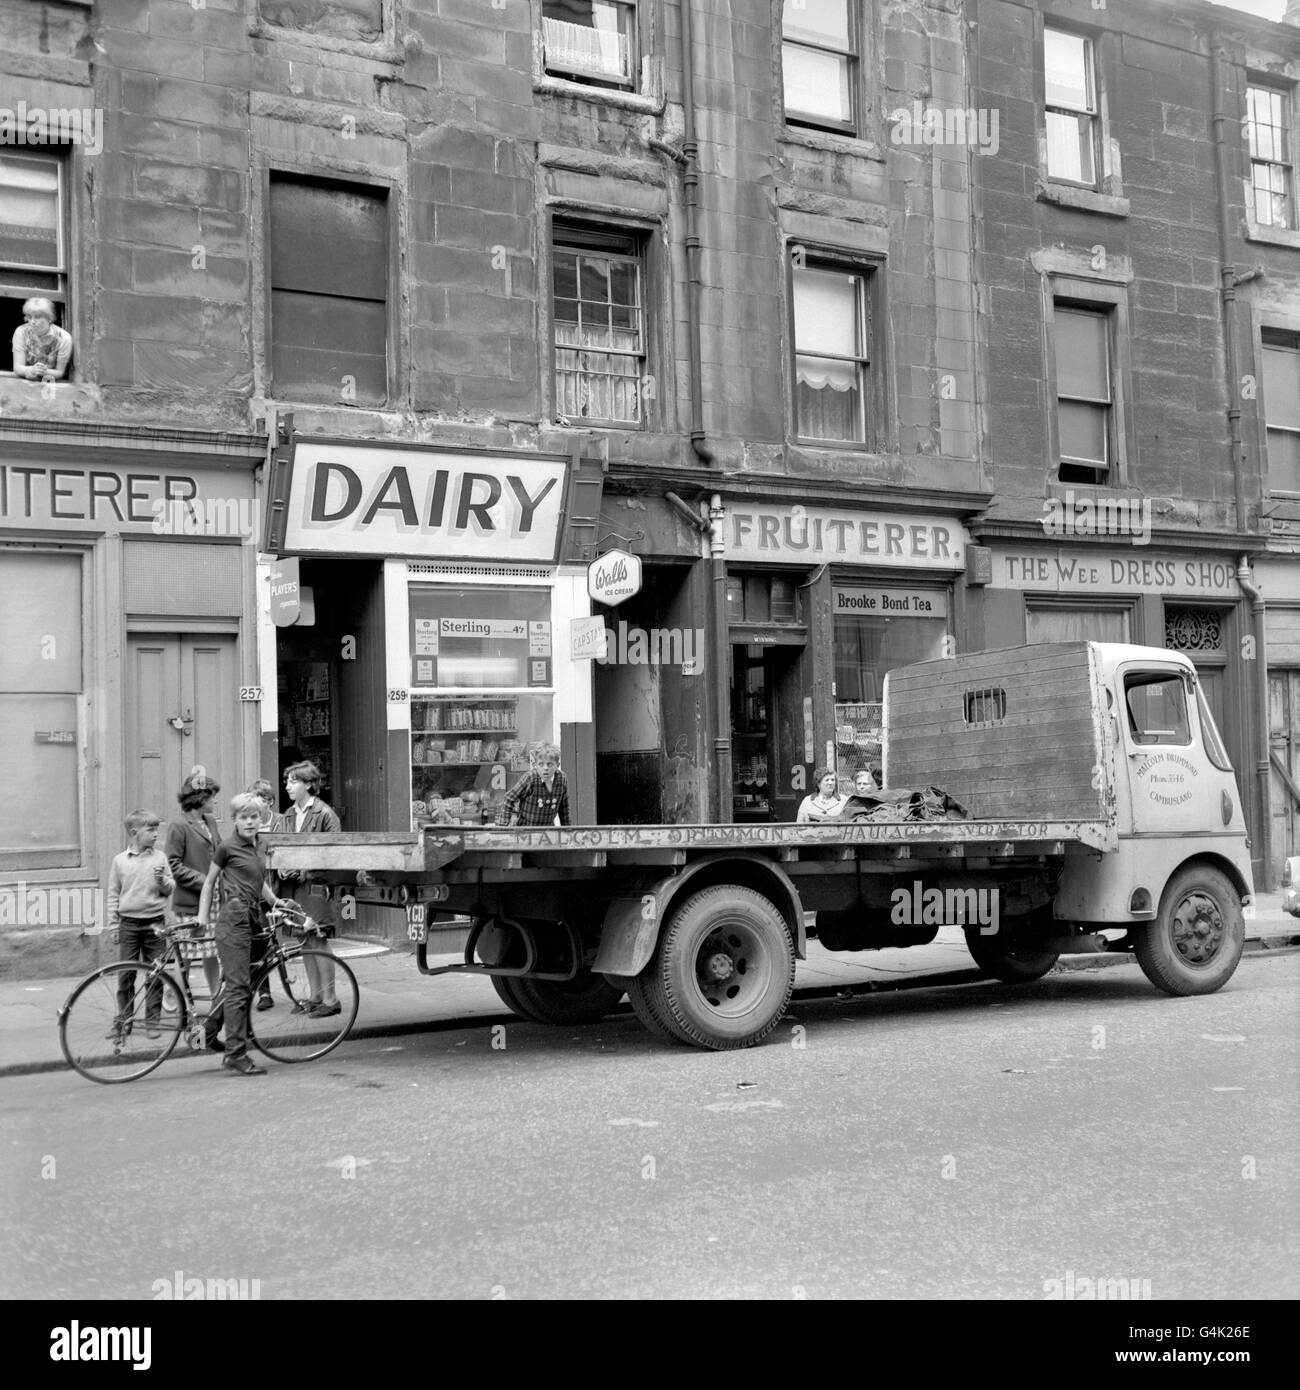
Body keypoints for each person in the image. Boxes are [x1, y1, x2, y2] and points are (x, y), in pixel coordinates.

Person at [198, 794, 292, 1076]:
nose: (250, 822)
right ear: (235, 820)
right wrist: (202, 917)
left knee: (245, 981)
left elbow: (258, 879)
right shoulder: (226, 848)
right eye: (244, 817)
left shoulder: (260, 844)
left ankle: (208, 1031)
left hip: (254, 916)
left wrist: (275, 901)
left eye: (254, 816)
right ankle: (235, 1054)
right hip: (234, 918)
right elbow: (209, 883)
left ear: (261, 818)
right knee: (239, 986)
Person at [277, 761, 344, 1018]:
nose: (288, 786)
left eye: (293, 781)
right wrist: (282, 868)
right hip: (294, 887)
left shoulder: (325, 814)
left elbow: (335, 854)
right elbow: (282, 848)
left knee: (318, 938)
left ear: (308, 784)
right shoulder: (288, 815)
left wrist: (304, 870)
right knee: (304, 940)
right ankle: (315, 996)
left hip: (316, 886)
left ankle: (330, 998)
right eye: (287, 782)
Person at [106, 810, 175, 1040]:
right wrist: (114, 925)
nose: (156, 834)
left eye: (157, 829)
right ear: (135, 833)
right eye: (151, 830)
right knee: (125, 975)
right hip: (129, 924)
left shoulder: (160, 858)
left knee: (155, 973)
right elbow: (113, 894)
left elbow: (170, 888)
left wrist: (162, 881)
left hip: (155, 923)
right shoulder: (120, 861)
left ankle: (152, 1020)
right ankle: (123, 1021)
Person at [165, 769, 223, 1011]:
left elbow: (219, 853)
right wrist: (205, 880)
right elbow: (173, 865)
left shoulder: (209, 821)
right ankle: (175, 996)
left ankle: (216, 996)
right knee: (187, 953)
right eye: (212, 796)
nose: (215, 801)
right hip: (190, 899)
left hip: (213, 900)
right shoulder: (179, 825)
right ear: (200, 798)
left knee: (212, 951)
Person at [246, 779, 279, 1010]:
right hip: (254, 893)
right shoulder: (248, 823)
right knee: (257, 944)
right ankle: (263, 992)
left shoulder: (280, 822)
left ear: (269, 802)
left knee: (270, 941)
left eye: (258, 798)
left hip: (276, 888)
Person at [500, 744, 571, 826]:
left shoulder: (561, 779)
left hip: (547, 830)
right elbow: (509, 798)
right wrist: (503, 827)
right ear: (535, 765)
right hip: (525, 829)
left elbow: (564, 808)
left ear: (557, 766)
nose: (545, 768)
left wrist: (567, 831)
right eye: (541, 764)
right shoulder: (530, 778)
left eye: (550, 764)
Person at [11, 297, 72, 382]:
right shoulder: (21, 332)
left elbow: (60, 372)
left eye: (38, 317)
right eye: (29, 316)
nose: (32, 321)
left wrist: (42, 371)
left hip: (52, 385)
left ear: (50, 318)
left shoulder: (64, 338)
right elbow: (17, 367)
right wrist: (30, 370)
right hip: (25, 382)